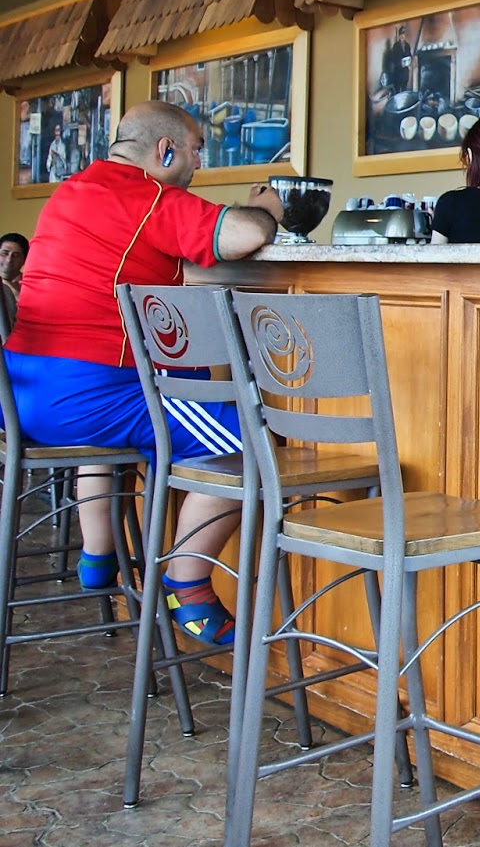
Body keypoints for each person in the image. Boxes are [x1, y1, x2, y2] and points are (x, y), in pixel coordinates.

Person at [3, 100, 283, 645]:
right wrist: (266, 207)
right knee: (252, 441)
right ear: (166, 150)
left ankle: (97, 561)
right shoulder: (149, 196)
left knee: (127, 426)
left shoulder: (69, 192)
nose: (199, 163)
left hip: (21, 396)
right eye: (197, 150)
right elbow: (244, 235)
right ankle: (187, 586)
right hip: (82, 398)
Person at [0, 231, 27, 334]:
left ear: (24, 260)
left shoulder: (31, 286)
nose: (9, 260)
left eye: (15, 255)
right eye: (4, 253)